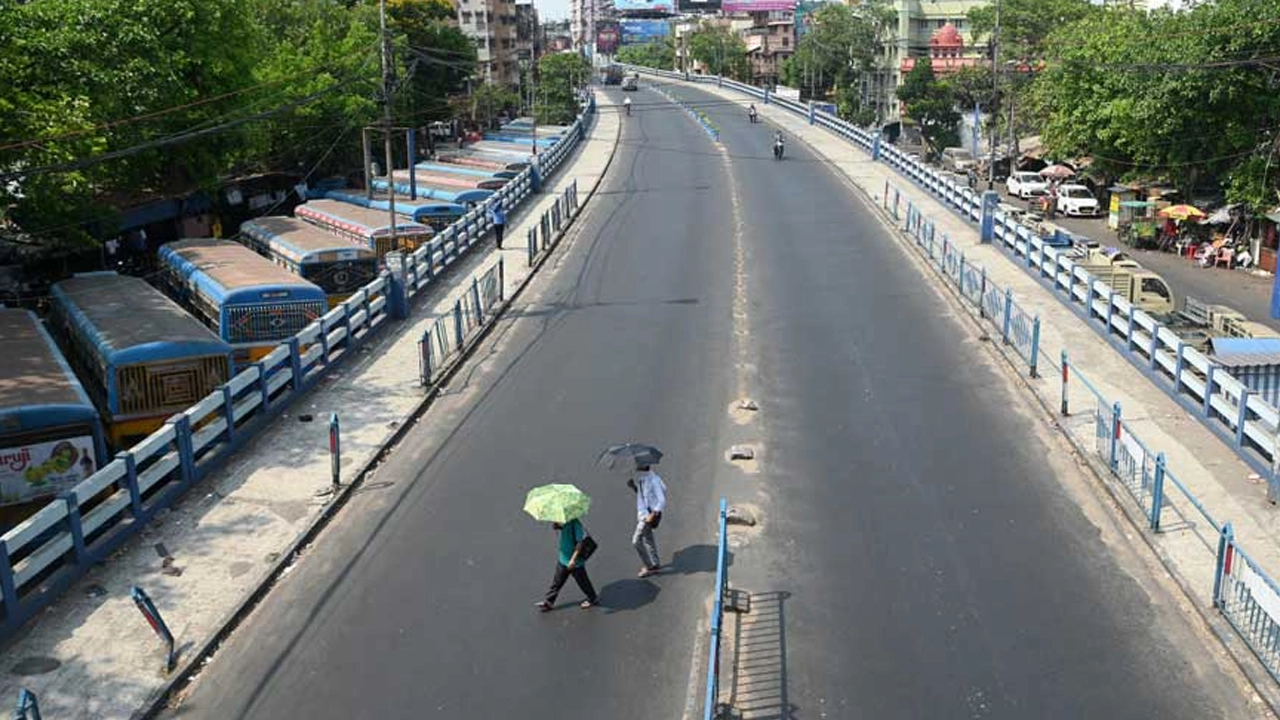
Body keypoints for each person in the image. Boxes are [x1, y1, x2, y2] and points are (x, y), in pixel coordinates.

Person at [536, 518, 598, 611]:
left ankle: (593, 598)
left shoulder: (575, 523)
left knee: (583, 583)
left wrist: (573, 560)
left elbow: (580, 543)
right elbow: (565, 531)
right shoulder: (562, 521)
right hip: (563, 558)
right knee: (557, 582)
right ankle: (549, 602)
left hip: (575, 563)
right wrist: (557, 526)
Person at [628, 464, 667, 577]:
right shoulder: (642, 479)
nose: (635, 465)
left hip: (647, 516)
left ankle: (649, 567)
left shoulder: (653, 480)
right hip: (643, 514)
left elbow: (662, 500)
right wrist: (634, 487)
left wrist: (653, 514)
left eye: (638, 463)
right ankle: (655, 564)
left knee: (636, 541)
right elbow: (644, 497)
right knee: (648, 540)